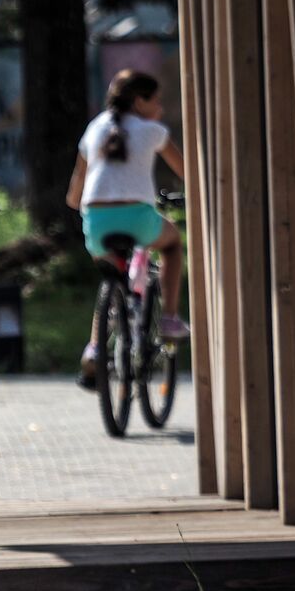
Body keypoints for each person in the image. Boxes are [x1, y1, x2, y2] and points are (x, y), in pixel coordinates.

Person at [66, 69, 189, 388]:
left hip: (95, 222)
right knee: (172, 243)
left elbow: (75, 191)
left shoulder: (94, 128)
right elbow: (187, 172)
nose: (160, 108)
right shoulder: (152, 130)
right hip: (138, 217)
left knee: (110, 280)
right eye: (156, 100)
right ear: (139, 101)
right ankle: (170, 318)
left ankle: (94, 350)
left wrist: (83, 202)